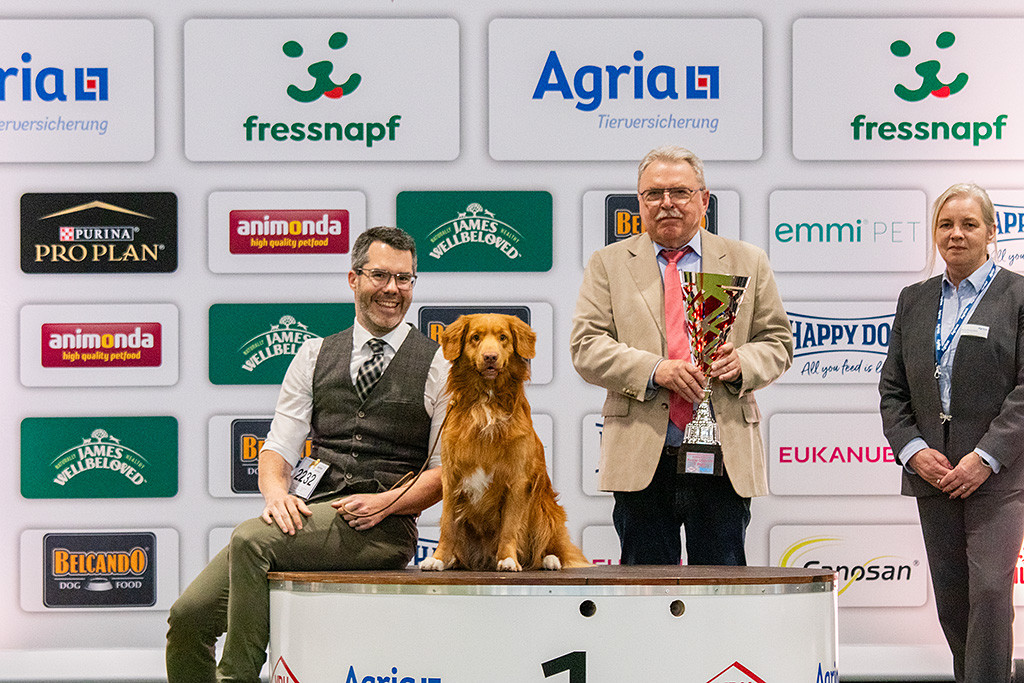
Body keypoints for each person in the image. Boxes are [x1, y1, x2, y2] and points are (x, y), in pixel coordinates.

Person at [166, 226, 448, 683]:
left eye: (404, 278)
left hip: (382, 529)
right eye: (380, 275)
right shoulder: (314, 353)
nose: (393, 289)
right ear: (354, 279)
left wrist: (386, 503)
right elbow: (279, 445)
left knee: (251, 539)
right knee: (188, 617)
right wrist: (277, 494)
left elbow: (447, 473)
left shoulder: (440, 364)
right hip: (310, 512)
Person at [570, 145, 793, 566]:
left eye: (680, 192)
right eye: (654, 193)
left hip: (723, 455)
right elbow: (586, 346)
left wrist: (743, 364)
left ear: (703, 200)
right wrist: (655, 370)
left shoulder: (748, 260)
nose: (667, 203)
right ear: (640, 202)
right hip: (642, 457)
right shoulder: (608, 264)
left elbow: (777, 341)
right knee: (646, 591)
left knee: (722, 588)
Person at [879, 183, 1024, 683]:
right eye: (946, 224)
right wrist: (913, 450)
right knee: (953, 599)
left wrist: (985, 457)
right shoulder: (915, 300)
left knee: (990, 592)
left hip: (997, 477)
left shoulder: (1018, 295)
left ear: (991, 232)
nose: (956, 234)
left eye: (968, 224)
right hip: (934, 475)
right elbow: (893, 389)